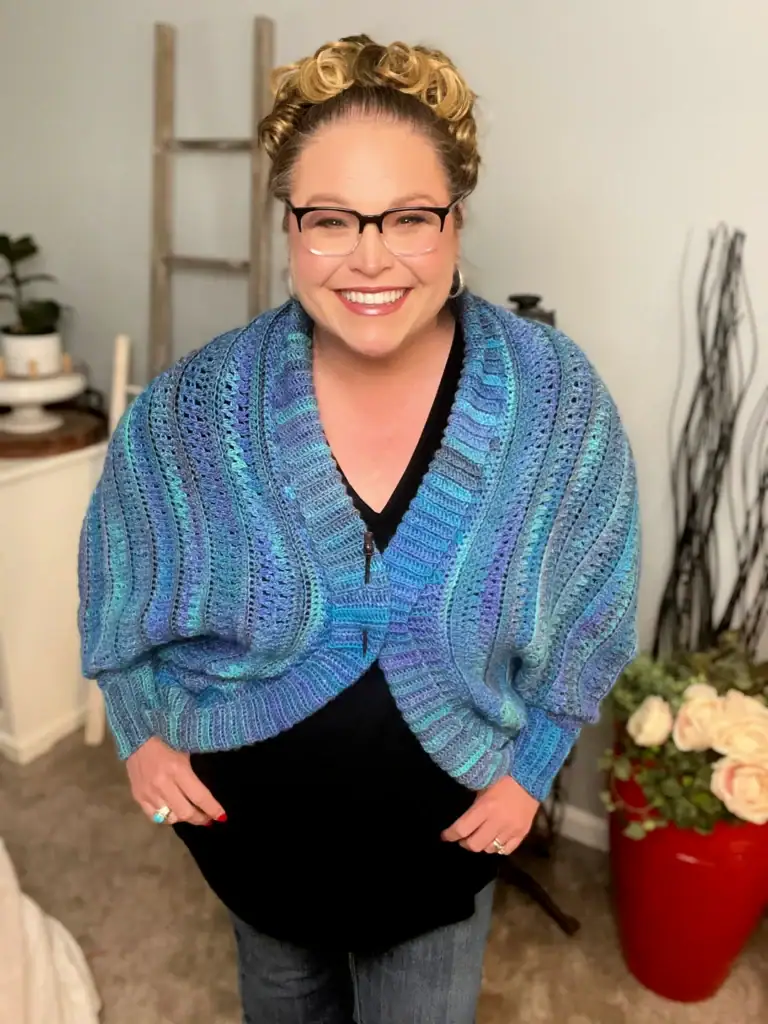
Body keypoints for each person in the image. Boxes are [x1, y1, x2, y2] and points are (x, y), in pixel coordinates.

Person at [78, 34, 640, 1024]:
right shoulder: (198, 405)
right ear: (289, 225)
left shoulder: (554, 403)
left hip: (439, 863)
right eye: (331, 218)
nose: (371, 257)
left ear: (457, 222)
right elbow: (119, 573)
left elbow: (596, 599)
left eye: (410, 217)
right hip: (254, 850)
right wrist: (135, 729)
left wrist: (536, 766)